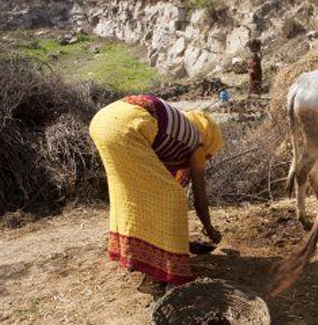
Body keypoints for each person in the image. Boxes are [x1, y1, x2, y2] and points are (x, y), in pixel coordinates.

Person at [89, 94, 224, 296]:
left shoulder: (177, 131)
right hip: (126, 127)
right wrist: (209, 229)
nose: (207, 156)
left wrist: (179, 240)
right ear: (209, 136)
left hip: (101, 121)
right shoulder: (197, 143)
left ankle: (138, 257)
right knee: (174, 198)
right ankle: (164, 276)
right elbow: (199, 198)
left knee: (132, 196)